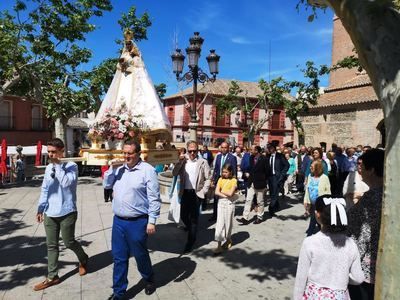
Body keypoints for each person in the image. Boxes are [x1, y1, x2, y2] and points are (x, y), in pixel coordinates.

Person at [103, 139, 161, 299]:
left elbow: (154, 197)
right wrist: (111, 168)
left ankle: (149, 278)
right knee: (119, 257)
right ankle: (118, 292)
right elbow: (107, 185)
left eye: (130, 153)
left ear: (138, 153)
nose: (126, 156)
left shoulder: (147, 170)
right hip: (119, 221)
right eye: (124, 153)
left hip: (138, 221)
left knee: (140, 254)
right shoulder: (118, 169)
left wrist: (152, 220)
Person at [34, 138, 89, 291]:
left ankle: (84, 259)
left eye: (53, 152)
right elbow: (45, 189)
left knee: (69, 242)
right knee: (51, 245)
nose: (50, 155)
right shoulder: (48, 168)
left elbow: (66, 183)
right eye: (49, 152)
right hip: (50, 212)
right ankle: (53, 276)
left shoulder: (72, 166)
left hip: (67, 211)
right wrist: (40, 208)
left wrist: (58, 165)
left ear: (61, 151)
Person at [293, 195, 364, 299]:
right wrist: (342, 276)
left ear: (317, 214)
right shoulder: (350, 244)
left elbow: (301, 279)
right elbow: (358, 278)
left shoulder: (310, 242)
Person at [347, 149, 384, 300]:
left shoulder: (372, 198)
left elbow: (362, 236)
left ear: (372, 170)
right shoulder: (383, 194)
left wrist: (349, 265)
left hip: (365, 271)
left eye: (363, 166)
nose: (359, 170)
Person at [172, 140, 211, 253]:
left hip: (196, 193)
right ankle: (192, 230)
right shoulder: (183, 161)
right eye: (190, 151)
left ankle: (190, 241)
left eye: (195, 151)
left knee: (194, 219)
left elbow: (208, 178)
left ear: (198, 151)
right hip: (185, 192)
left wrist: (204, 191)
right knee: (183, 216)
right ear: (187, 151)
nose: (192, 153)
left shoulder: (203, 162)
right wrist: (179, 162)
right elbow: (174, 173)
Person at [237, 145, 270, 225]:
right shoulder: (251, 157)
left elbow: (268, 171)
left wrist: (263, 179)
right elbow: (251, 168)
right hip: (251, 182)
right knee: (248, 200)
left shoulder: (264, 159)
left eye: (252, 149)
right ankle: (245, 218)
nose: (250, 150)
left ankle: (259, 217)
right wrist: (247, 173)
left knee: (260, 201)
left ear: (257, 150)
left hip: (260, 183)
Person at [213, 163, 237, 254]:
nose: (224, 174)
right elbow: (216, 192)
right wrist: (225, 194)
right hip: (221, 203)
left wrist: (222, 191)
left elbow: (231, 193)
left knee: (228, 223)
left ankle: (228, 239)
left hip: (230, 204)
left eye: (226, 172)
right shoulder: (220, 179)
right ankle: (219, 246)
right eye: (223, 172)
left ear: (230, 172)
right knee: (219, 224)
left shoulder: (234, 180)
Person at [210, 142, 237, 222]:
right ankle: (215, 216)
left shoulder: (232, 157)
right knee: (216, 198)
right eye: (222, 147)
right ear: (220, 148)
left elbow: (234, 170)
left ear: (228, 148)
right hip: (219, 179)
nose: (224, 149)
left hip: (228, 180)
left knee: (226, 198)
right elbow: (216, 169)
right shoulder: (218, 156)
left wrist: (234, 184)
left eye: (225, 147)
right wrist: (213, 180)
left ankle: (225, 216)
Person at [303, 160, 331, 236]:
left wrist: (326, 203)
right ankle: (323, 233)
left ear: (317, 168)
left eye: (312, 166)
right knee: (318, 220)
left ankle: (309, 234)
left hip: (320, 203)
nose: (310, 167)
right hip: (311, 202)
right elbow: (307, 190)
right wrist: (306, 200)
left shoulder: (324, 178)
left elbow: (328, 192)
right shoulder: (310, 176)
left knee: (313, 218)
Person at [267, 143, 289, 216]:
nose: (269, 149)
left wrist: (282, 174)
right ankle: (276, 205)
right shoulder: (268, 156)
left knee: (275, 193)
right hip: (270, 177)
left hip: (277, 177)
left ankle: (271, 208)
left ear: (273, 148)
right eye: (268, 148)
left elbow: (287, 165)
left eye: (270, 148)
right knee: (271, 192)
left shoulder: (280, 156)